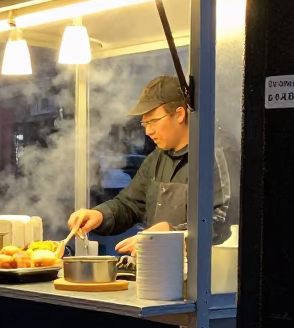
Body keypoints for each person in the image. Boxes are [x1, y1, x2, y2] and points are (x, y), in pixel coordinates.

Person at [67, 76, 234, 255]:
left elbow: (223, 222)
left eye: (153, 121)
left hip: (206, 276)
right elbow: (130, 204)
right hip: (158, 270)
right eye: (145, 123)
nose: (148, 131)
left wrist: (172, 232)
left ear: (179, 114)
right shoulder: (157, 158)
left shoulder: (215, 153)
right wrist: (100, 215)